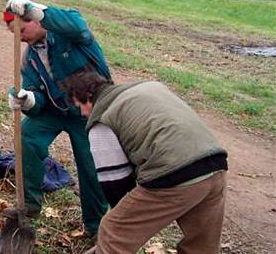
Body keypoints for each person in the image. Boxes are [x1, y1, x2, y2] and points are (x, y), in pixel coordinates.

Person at [66, 72, 228, 254]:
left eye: (79, 105)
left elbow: (116, 185)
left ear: (88, 96)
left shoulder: (102, 120)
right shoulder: (149, 87)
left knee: (113, 230)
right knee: (201, 245)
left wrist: (122, 220)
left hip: (175, 173)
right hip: (215, 164)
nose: (82, 113)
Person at [2, 0, 111, 235]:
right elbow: (36, 97)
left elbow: (78, 24)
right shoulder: (29, 59)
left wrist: (39, 11)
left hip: (88, 110)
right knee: (27, 137)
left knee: (91, 165)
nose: (19, 36)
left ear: (35, 20)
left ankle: (95, 225)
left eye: (22, 28)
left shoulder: (69, 35)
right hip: (55, 111)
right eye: (14, 33)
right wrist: (28, 100)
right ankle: (29, 205)